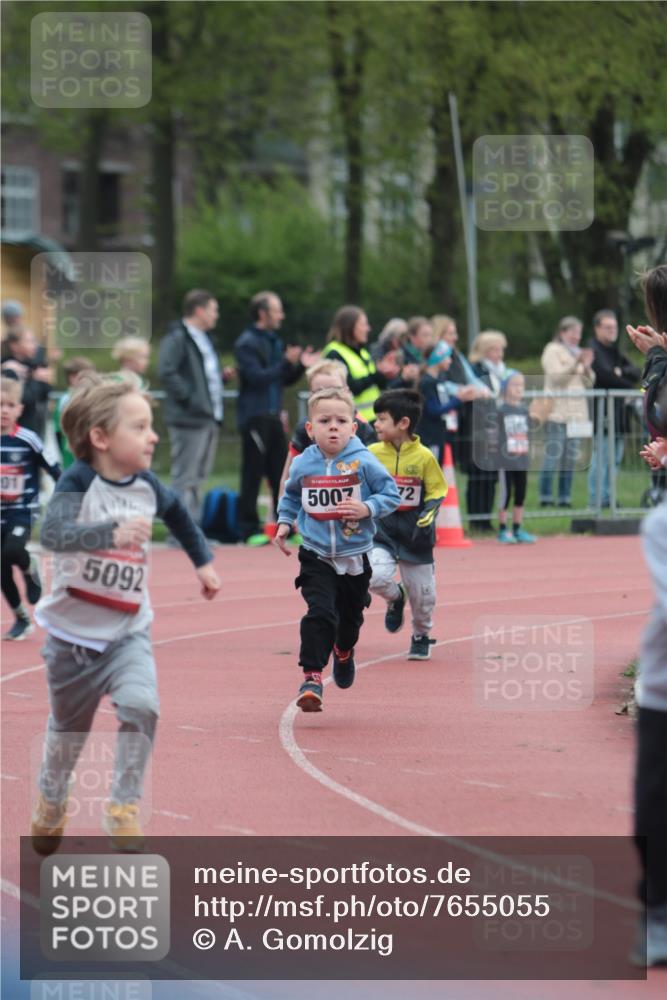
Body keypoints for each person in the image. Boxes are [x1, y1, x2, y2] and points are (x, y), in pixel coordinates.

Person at [30, 371, 220, 853]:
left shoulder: (148, 485)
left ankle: (123, 806)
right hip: (72, 638)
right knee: (68, 737)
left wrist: (203, 565)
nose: (152, 435)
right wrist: (106, 535)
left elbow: (178, 514)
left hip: (128, 631)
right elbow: (51, 535)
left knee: (142, 706)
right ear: (100, 438)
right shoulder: (78, 482)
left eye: (150, 425)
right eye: (139, 427)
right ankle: (52, 802)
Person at [274, 386, 400, 712]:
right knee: (320, 613)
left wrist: (367, 508)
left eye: (341, 420)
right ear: (310, 428)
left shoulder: (364, 461)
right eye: (325, 420)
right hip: (315, 552)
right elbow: (290, 495)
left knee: (350, 619)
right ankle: (312, 677)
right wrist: (285, 523)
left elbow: (391, 495)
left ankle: (344, 652)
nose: (333, 426)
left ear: (354, 427)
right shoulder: (303, 464)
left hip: (355, 555)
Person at [368, 389, 448, 660]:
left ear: (402, 423)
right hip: (383, 532)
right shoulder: (372, 453)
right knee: (374, 576)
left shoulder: (424, 456)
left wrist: (428, 514)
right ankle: (395, 597)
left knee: (424, 597)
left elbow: (437, 490)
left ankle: (421, 634)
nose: (375, 424)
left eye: (381, 419)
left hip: (416, 536)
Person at [234, 290, 317, 546]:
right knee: (253, 473)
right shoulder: (246, 343)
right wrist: (284, 362)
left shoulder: (274, 340)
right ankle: (248, 529)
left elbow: (282, 378)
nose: (281, 315)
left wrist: (300, 365)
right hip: (254, 416)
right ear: (263, 313)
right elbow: (257, 377)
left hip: (273, 416)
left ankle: (286, 527)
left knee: (280, 471)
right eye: (277, 310)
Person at [158, 289, 232, 527]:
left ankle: (193, 530)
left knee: (198, 478)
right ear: (199, 311)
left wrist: (221, 379)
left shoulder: (205, 339)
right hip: (189, 417)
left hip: (209, 416)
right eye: (213, 310)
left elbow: (200, 376)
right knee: (184, 477)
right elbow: (167, 372)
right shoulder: (178, 337)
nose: (217, 315)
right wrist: (191, 398)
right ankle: (178, 532)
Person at [1, 375, 60, 640]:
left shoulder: (28, 439)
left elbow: (55, 469)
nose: (4, 410)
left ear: (19, 410)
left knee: (12, 550)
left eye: (10, 405)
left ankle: (29, 569)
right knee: (1, 567)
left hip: (22, 510)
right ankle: (21, 618)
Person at [279, 359, 376, 498]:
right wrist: (285, 516)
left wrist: (365, 510)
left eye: (335, 390)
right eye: (320, 391)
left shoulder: (363, 427)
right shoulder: (305, 428)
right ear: (311, 395)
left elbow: (376, 477)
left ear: (347, 391)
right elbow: (287, 477)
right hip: (313, 512)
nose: (329, 396)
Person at [538, 316, 596, 508]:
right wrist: (575, 363)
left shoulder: (578, 353)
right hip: (557, 412)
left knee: (570, 459)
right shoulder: (552, 350)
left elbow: (590, 381)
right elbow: (556, 378)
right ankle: (545, 498)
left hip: (577, 415)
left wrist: (586, 366)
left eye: (579, 333)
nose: (576, 337)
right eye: (573, 333)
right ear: (562, 332)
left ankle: (565, 498)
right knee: (552, 456)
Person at [587, 309, 641, 508]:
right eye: (607, 327)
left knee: (615, 460)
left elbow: (636, 371)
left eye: (614, 327)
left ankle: (608, 498)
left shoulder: (616, 351)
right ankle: (596, 501)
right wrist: (624, 380)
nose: (612, 331)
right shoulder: (593, 350)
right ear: (597, 329)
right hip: (603, 414)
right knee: (601, 459)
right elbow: (604, 376)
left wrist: (621, 372)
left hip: (620, 415)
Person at [431, 315, 490, 472]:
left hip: (461, 415)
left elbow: (471, 378)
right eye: (450, 333)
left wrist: (482, 389)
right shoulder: (433, 357)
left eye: (454, 333)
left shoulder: (457, 356)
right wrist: (461, 392)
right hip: (443, 415)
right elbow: (438, 382)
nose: (455, 338)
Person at [321, 305, 400, 421]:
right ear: (350, 327)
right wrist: (376, 375)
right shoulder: (333, 353)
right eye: (364, 324)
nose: (368, 329)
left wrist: (384, 373)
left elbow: (375, 385)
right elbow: (349, 388)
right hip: (352, 422)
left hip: (373, 419)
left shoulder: (362, 352)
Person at [467, 330, 508, 532]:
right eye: (494, 349)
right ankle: (476, 518)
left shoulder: (502, 370)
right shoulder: (476, 370)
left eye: (501, 349)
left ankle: (487, 518)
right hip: (480, 429)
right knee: (478, 474)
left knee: (491, 475)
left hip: (498, 427)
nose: (498, 353)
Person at [495, 370, 536, 544]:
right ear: (505, 388)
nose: (519, 388)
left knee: (521, 493)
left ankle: (518, 528)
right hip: (506, 460)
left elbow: (527, 432)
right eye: (515, 385)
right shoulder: (500, 410)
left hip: (522, 458)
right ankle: (503, 529)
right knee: (506, 493)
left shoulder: (524, 410)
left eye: (521, 385)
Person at [1, 328, 53, 436]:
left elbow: (46, 392)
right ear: (14, 346)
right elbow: (24, 398)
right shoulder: (8, 368)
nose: (34, 345)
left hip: (33, 429)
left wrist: (37, 377)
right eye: (29, 341)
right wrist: (35, 379)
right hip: (15, 433)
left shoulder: (31, 366)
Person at [416, 340, 461, 462]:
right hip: (430, 437)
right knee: (430, 475)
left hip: (437, 435)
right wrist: (458, 400)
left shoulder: (437, 380)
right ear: (438, 357)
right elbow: (434, 410)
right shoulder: (427, 382)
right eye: (447, 357)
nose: (450, 361)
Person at [53, 357, 96, 469]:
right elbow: (58, 431)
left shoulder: (92, 397)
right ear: (72, 377)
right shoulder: (66, 400)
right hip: (71, 455)